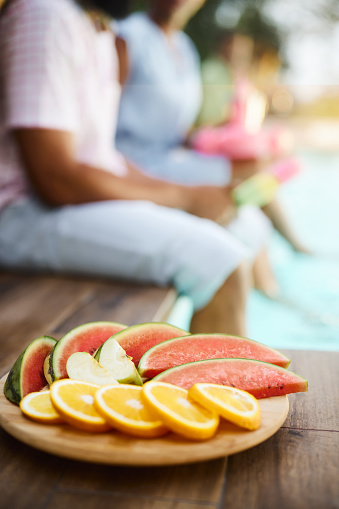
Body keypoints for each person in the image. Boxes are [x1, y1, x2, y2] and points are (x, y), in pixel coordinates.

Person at [0, 0, 261, 336]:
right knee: (222, 264)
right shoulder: (45, 14)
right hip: (17, 215)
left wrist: (192, 195)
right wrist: (182, 197)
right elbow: (56, 178)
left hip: (59, 206)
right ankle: (211, 389)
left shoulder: (98, 29)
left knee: (239, 226)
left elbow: (104, 158)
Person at [116, 2, 309, 255]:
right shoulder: (127, 37)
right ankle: (293, 246)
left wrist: (219, 140)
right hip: (135, 163)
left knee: (251, 209)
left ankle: (277, 269)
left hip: (174, 155)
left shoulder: (184, 47)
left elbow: (178, 127)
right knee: (253, 172)